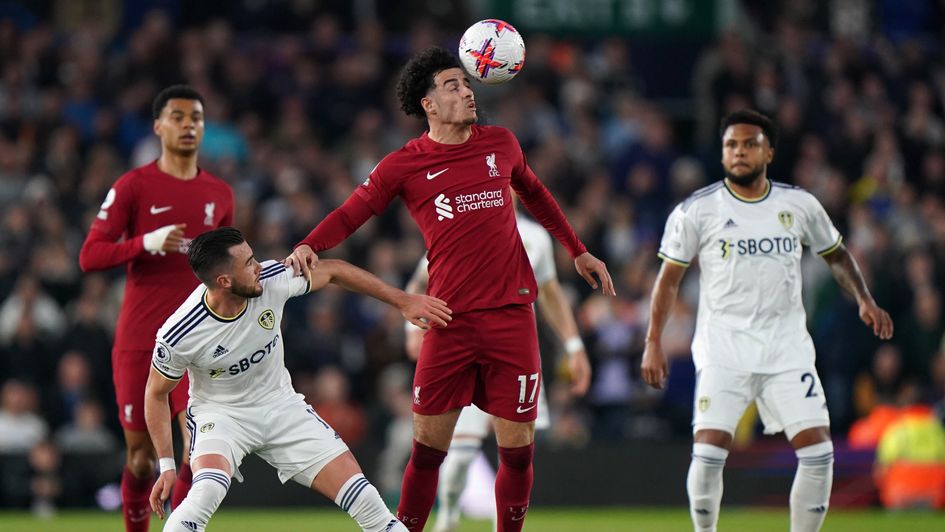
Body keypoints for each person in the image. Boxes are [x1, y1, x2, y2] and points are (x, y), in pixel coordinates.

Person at [284, 47, 614, 532]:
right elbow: (354, 210)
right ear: (429, 105)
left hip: (511, 318)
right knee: (427, 453)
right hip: (448, 320)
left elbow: (536, 194)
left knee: (518, 455)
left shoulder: (501, 143)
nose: (466, 91)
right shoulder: (404, 164)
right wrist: (312, 242)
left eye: (467, 83)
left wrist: (577, 249)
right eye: (452, 85)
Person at [642, 109, 894, 532]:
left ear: (769, 151)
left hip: (786, 349)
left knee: (818, 454)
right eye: (731, 145)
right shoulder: (696, 211)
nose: (739, 152)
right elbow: (668, 281)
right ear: (723, 154)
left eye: (749, 144)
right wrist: (653, 340)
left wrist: (864, 300)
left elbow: (836, 255)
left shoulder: (799, 205)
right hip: (724, 349)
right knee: (707, 455)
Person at [145, 227, 452, 531]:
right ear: (224, 281)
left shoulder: (271, 280)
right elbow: (156, 394)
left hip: (281, 407)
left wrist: (402, 301)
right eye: (249, 264)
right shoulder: (180, 334)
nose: (259, 267)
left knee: (367, 501)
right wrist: (167, 466)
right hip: (222, 415)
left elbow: (334, 271)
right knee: (205, 493)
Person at [78, 85, 235, 532]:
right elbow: (90, 256)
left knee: (197, 448)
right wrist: (144, 242)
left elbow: (227, 269)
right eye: (179, 117)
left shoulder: (219, 194)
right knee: (142, 458)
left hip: (198, 341)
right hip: (140, 340)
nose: (189, 125)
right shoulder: (134, 185)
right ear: (158, 126)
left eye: (197, 118)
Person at [403, 206, 592, 532]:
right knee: (459, 454)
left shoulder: (535, 237)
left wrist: (574, 345)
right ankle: (447, 519)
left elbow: (549, 292)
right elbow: (421, 279)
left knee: (516, 455)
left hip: (514, 350)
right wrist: (412, 330)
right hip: (463, 351)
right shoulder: (459, 222)